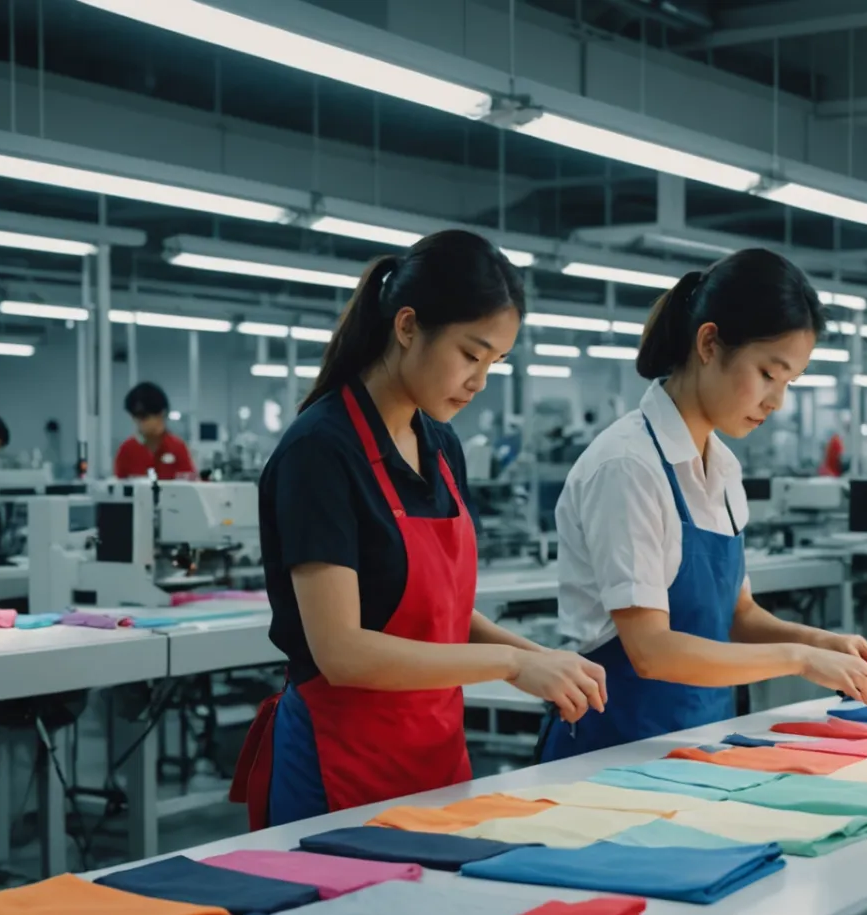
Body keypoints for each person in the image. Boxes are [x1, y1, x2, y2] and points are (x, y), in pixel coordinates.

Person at [233, 231, 604, 827]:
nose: (481, 381)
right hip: (340, 771)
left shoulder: (439, 444)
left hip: (434, 759)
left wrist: (544, 660)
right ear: (407, 326)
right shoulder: (320, 451)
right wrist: (511, 668)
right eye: (470, 354)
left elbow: (445, 618)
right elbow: (343, 652)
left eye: (495, 363)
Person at [544, 249, 867, 762]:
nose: (777, 402)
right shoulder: (628, 466)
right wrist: (798, 660)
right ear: (709, 343)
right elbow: (651, 649)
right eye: (768, 374)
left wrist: (824, 642)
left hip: (700, 742)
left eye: (789, 383)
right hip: (613, 752)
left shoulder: (723, 467)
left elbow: (737, 615)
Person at [115, 381, 196, 480]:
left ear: (161, 413)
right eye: (135, 416)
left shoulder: (177, 448)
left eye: (143, 416)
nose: (139, 422)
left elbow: (189, 483)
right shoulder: (126, 450)